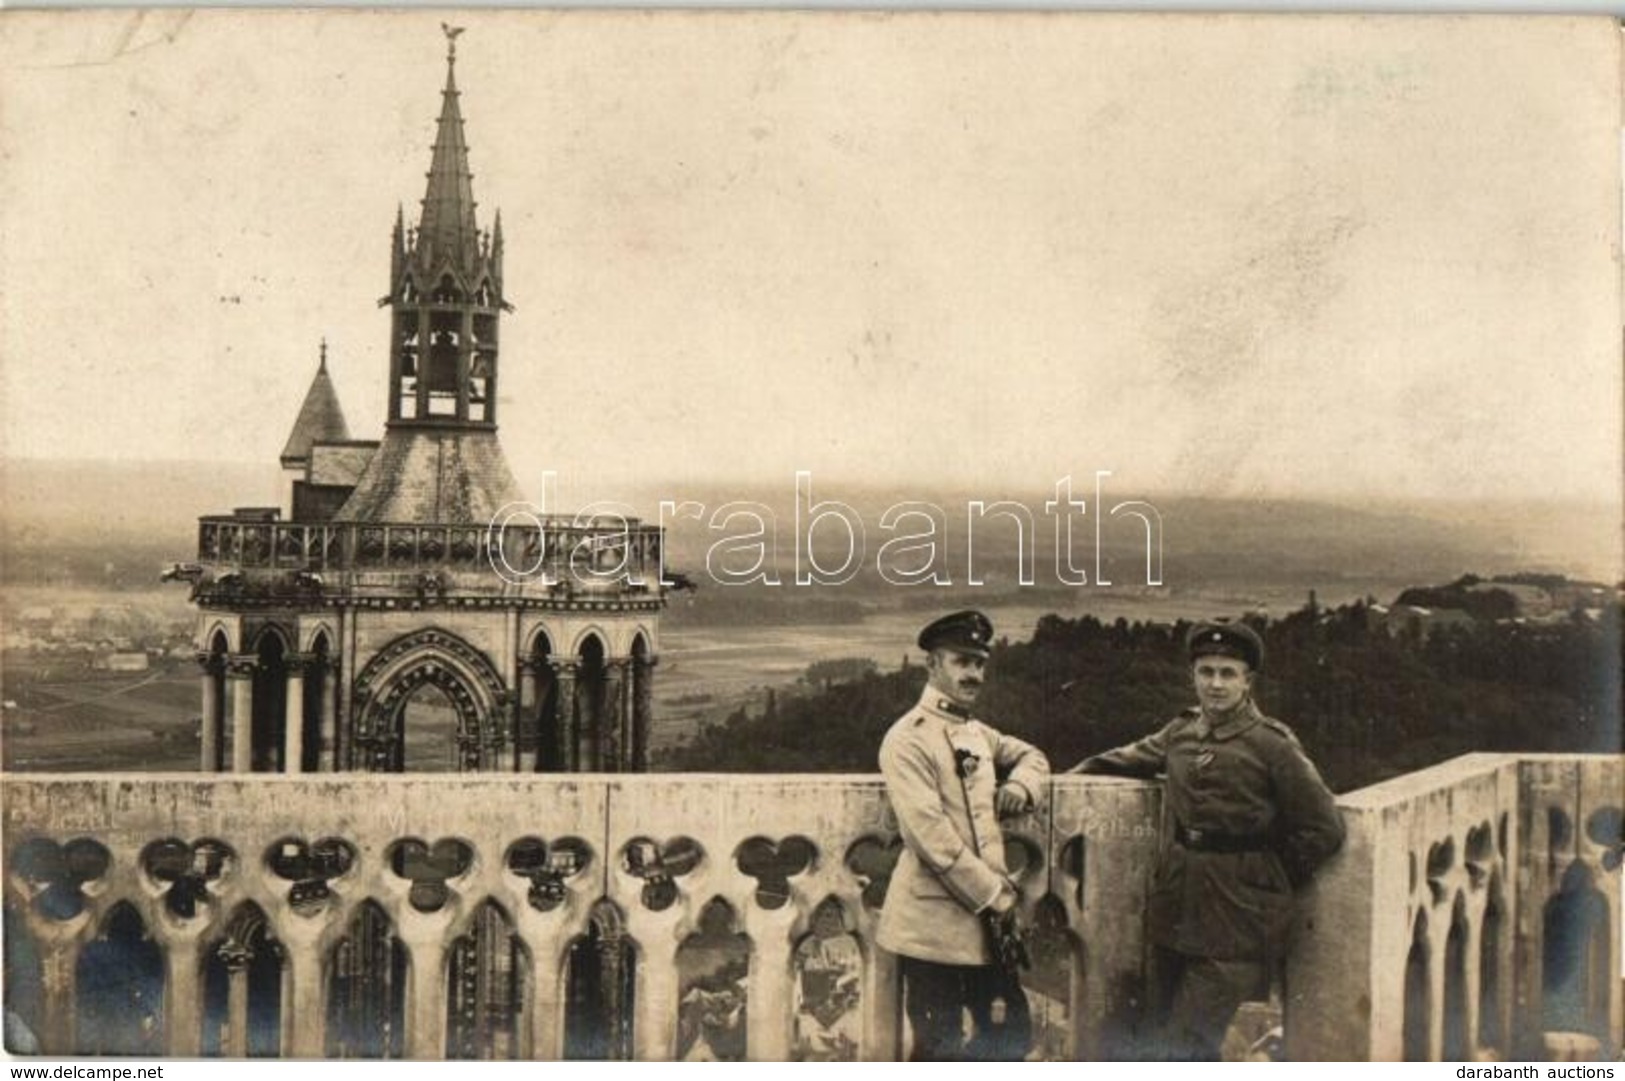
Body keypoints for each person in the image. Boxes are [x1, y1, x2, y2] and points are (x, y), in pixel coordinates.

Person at [1072, 620, 1345, 1061]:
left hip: (1239, 918)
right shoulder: (1181, 731)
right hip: (1176, 908)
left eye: (1227, 673)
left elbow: (1325, 828)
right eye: (1206, 672)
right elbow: (1123, 760)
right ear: (1193, 677)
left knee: (1187, 1044)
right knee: (1163, 1039)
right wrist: (1058, 782)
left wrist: (1267, 877)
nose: (1215, 684)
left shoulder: (1271, 744)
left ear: (1247, 682)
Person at [877, 610, 1051, 1061]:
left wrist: (1020, 785)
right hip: (931, 929)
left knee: (1011, 1036)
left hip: (985, 928)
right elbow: (932, 839)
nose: (973, 674)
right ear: (933, 665)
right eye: (961, 662)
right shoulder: (907, 739)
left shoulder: (976, 732)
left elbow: (1034, 755)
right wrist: (999, 896)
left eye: (979, 663)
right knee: (938, 1049)